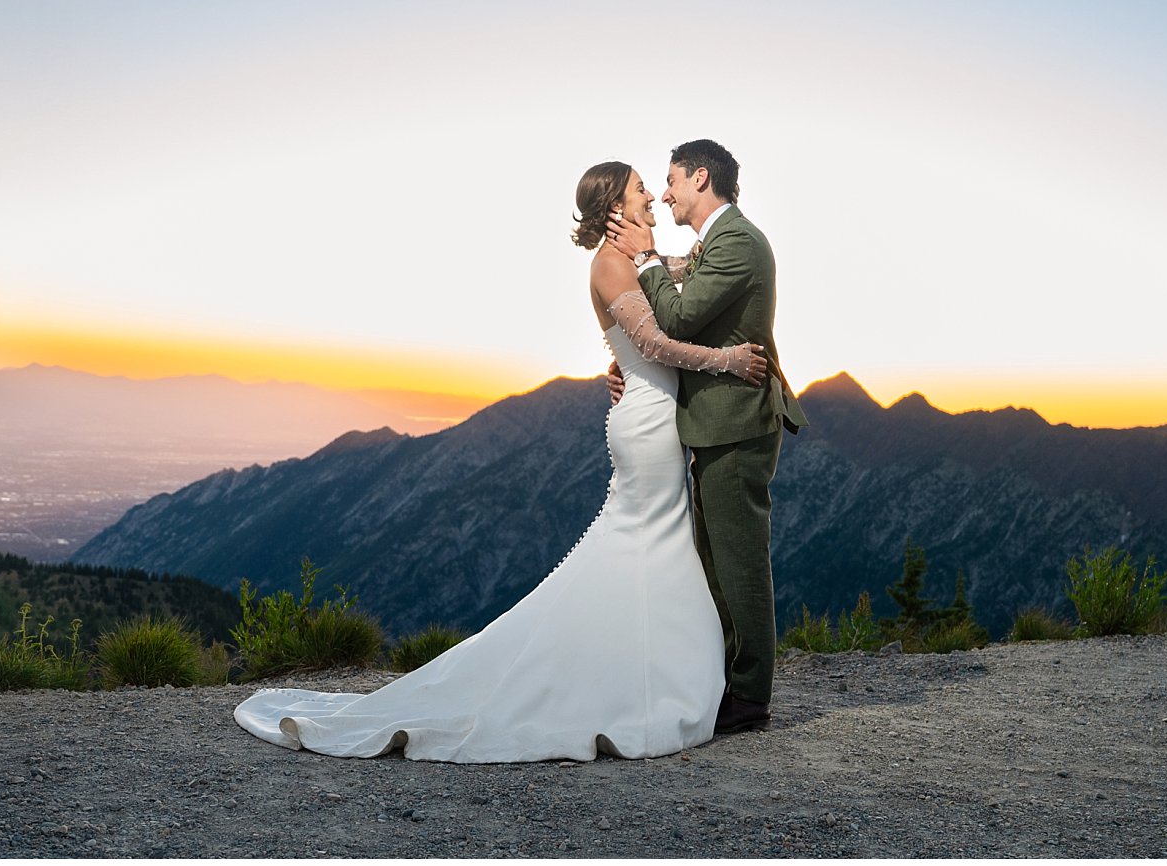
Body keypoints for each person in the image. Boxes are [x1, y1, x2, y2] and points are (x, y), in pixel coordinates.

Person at [232, 161, 767, 762]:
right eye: (642, 187)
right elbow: (650, 343)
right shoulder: (611, 263)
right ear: (616, 204)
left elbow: (679, 283)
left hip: (651, 411)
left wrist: (645, 313)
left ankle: (636, 667)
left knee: (654, 545)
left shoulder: (637, 256)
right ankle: (633, 677)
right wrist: (729, 363)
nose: (651, 194)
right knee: (646, 542)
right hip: (646, 423)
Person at [604, 138, 805, 735]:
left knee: (739, 561)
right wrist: (630, 363)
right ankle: (724, 681)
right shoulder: (713, 245)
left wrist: (644, 258)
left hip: (737, 423)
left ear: (700, 176)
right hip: (712, 422)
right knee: (715, 560)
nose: (664, 193)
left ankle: (749, 698)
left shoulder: (739, 242)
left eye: (670, 180)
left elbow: (682, 317)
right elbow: (663, 316)